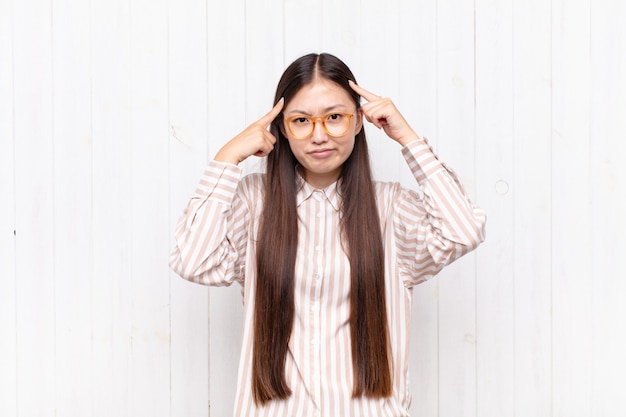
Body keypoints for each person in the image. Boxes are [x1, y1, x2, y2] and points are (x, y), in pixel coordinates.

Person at [169, 52, 486, 417]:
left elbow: (462, 231)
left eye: (335, 117)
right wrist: (227, 159)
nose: (319, 135)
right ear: (282, 128)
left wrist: (409, 139)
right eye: (301, 120)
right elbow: (193, 261)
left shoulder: (391, 209)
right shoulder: (255, 202)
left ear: (358, 122)